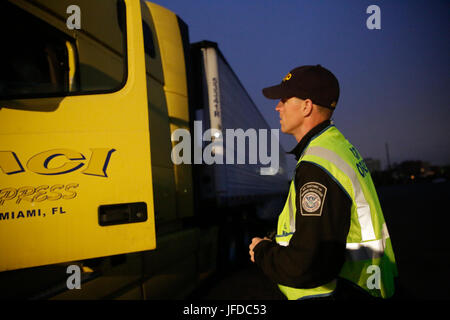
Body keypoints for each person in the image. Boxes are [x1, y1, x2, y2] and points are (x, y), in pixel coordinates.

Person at [249, 65, 398, 300]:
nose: (277, 106)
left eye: (284, 99)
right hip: (366, 286)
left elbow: (308, 263)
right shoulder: (335, 147)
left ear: (306, 106)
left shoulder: (317, 164)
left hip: (345, 291)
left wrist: (262, 251)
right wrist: (276, 239)